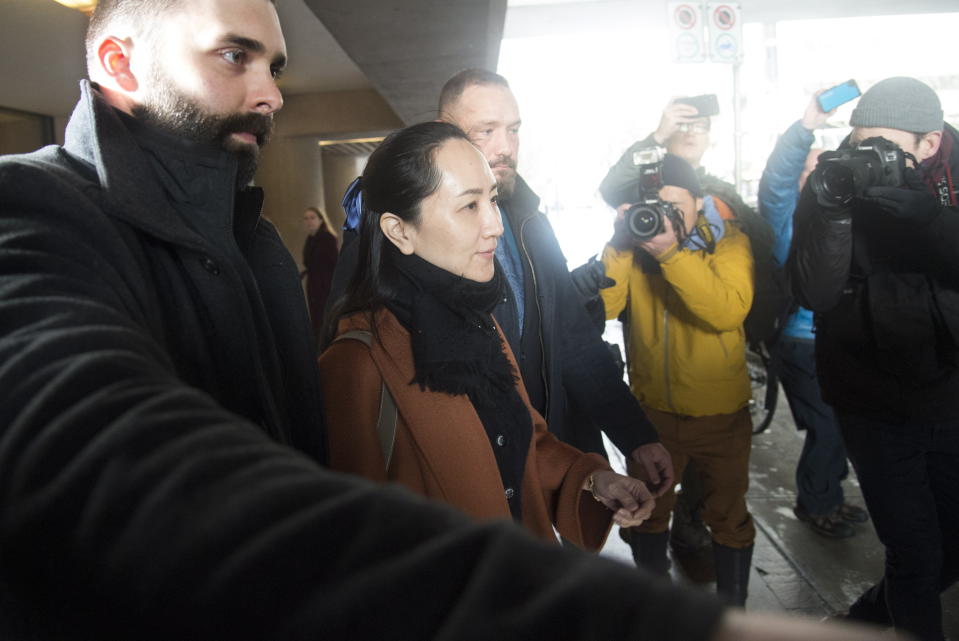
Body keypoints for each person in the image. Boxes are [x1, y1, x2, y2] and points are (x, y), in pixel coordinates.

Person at [0, 0, 906, 637]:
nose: (272, 90)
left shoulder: (258, 248)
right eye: (234, 54)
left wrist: (593, 477)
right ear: (116, 62)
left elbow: (530, 437)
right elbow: (80, 438)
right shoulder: (33, 207)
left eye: (275, 64)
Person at [319, 121, 654, 547]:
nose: (495, 225)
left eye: (492, 200)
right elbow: (357, 543)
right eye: (469, 206)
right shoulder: (354, 364)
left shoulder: (479, 320)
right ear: (399, 230)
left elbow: (516, 441)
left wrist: (592, 480)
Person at [434, 69, 674, 497]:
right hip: (469, 481)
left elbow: (573, 338)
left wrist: (635, 434)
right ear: (444, 135)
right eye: (485, 131)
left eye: (513, 129)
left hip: (549, 463)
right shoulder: (415, 234)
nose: (505, 147)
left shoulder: (531, 222)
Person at [789, 76, 959, 641]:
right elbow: (814, 293)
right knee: (914, 555)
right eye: (864, 143)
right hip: (871, 400)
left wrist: (930, 220)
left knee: (952, 549)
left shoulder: (953, 183)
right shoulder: (837, 177)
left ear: (928, 145)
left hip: (952, 394)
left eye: (888, 148)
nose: (872, 159)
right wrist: (833, 210)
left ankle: (859, 622)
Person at [598, 151, 756, 606]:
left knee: (727, 516)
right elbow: (605, 308)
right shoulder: (637, 246)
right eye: (656, 205)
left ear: (699, 201)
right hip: (653, 418)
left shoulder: (727, 243)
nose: (665, 215)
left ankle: (734, 618)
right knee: (647, 514)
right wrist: (619, 245)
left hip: (721, 417)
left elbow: (727, 311)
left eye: (676, 205)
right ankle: (658, 611)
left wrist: (671, 254)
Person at [757, 93, 868, 538]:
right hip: (800, 342)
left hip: (839, 340)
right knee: (827, 425)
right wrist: (805, 128)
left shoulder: (845, 217)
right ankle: (816, 503)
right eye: (811, 168)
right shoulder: (786, 218)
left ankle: (830, 498)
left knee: (840, 426)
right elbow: (777, 181)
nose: (821, 176)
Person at [301, 205, 338, 339]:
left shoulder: (327, 238)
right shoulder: (310, 239)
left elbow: (334, 263)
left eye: (312, 217)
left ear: (321, 220)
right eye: (306, 218)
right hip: (314, 284)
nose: (309, 221)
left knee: (325, 319)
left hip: (325, 285)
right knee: (316, 319)